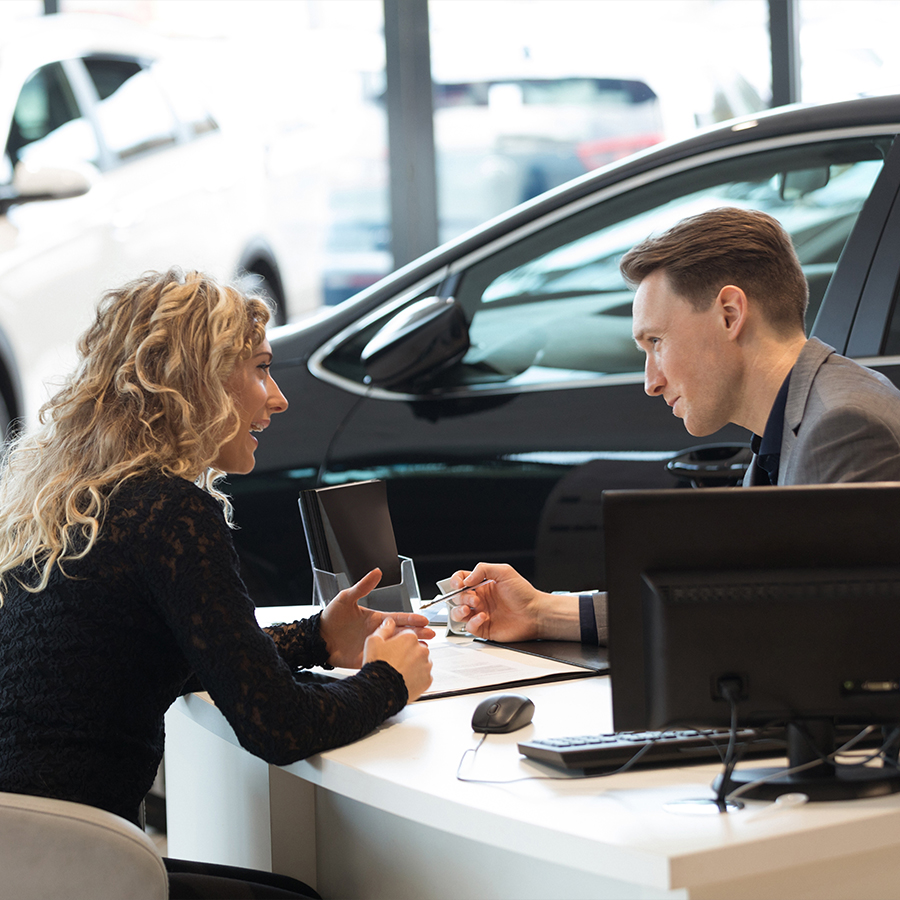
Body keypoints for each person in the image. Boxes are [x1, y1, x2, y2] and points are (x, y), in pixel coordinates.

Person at [0, 269, 433, 899]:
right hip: (74, 862)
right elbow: (277, 727)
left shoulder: (70, 502)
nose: (277, 397)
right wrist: (389, 679)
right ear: (194, 384)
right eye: (260, 369)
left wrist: (319, 636)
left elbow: (185, 659)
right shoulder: (168, 511)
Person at [446, 207, 900, 645]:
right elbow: (735, 600)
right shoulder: (804, 416)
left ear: (730, 313)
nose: (650, 382)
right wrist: (541, 611)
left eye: (656, 342)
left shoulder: (842, 427)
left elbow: (809, 641)